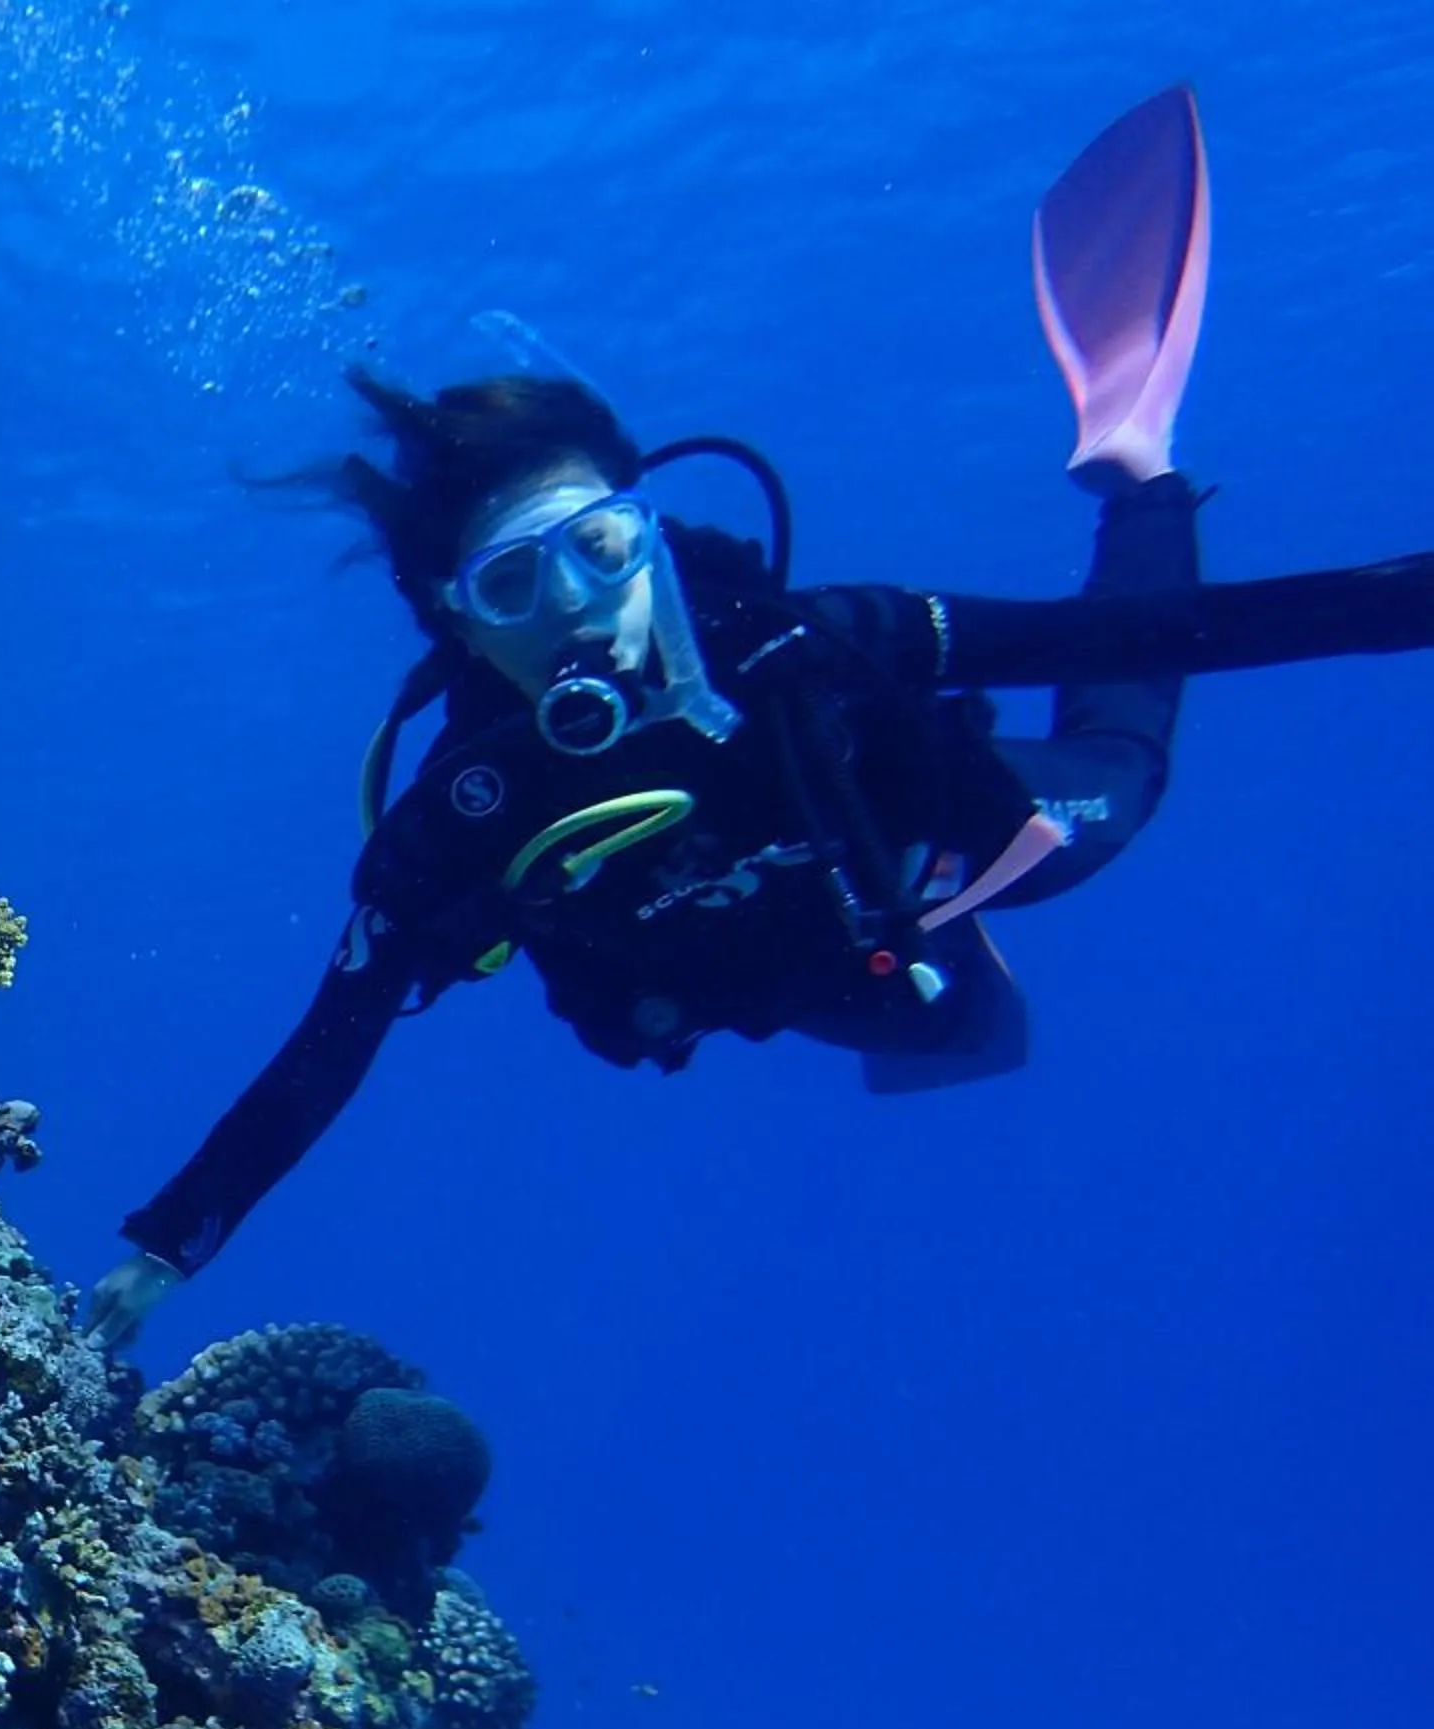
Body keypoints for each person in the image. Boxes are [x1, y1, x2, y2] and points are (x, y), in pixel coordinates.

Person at [90, 84, 1434, 1346]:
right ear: (457, 619)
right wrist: (165, 1248)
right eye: (514, 582)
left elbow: (1146, 635)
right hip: (785, 968)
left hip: (918, 846)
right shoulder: (460, 822)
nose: (577, 611)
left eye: (603, 548)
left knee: (1117, 797)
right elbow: (330, 1042)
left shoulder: (797, 645)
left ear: (652, 527)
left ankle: (1139, 470)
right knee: (937, 1026)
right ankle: (929, 976)